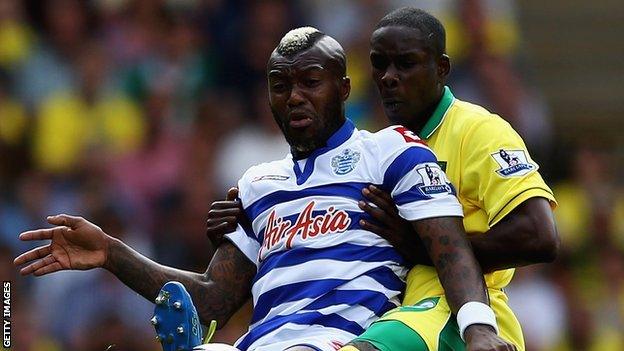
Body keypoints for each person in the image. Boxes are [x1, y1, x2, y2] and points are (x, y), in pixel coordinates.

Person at [14, 27, 513, 351]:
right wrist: (112, 253)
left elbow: (451, 250)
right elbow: (210, 302)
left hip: (345, 341)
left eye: (310, 82)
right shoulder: (256, 184)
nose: (294, 96)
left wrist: (481, 332)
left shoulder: (390, 152)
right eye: (279, 84)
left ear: (343, 89)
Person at [207, 8, 558, 351]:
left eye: (405, 64)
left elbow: (539, 236)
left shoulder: (476, 130)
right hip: (398, 312)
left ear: (442, 68)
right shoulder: (378, 150)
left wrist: (422, 248)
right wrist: (249, 227)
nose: (389, 77)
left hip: (453, 312)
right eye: (379, 64)